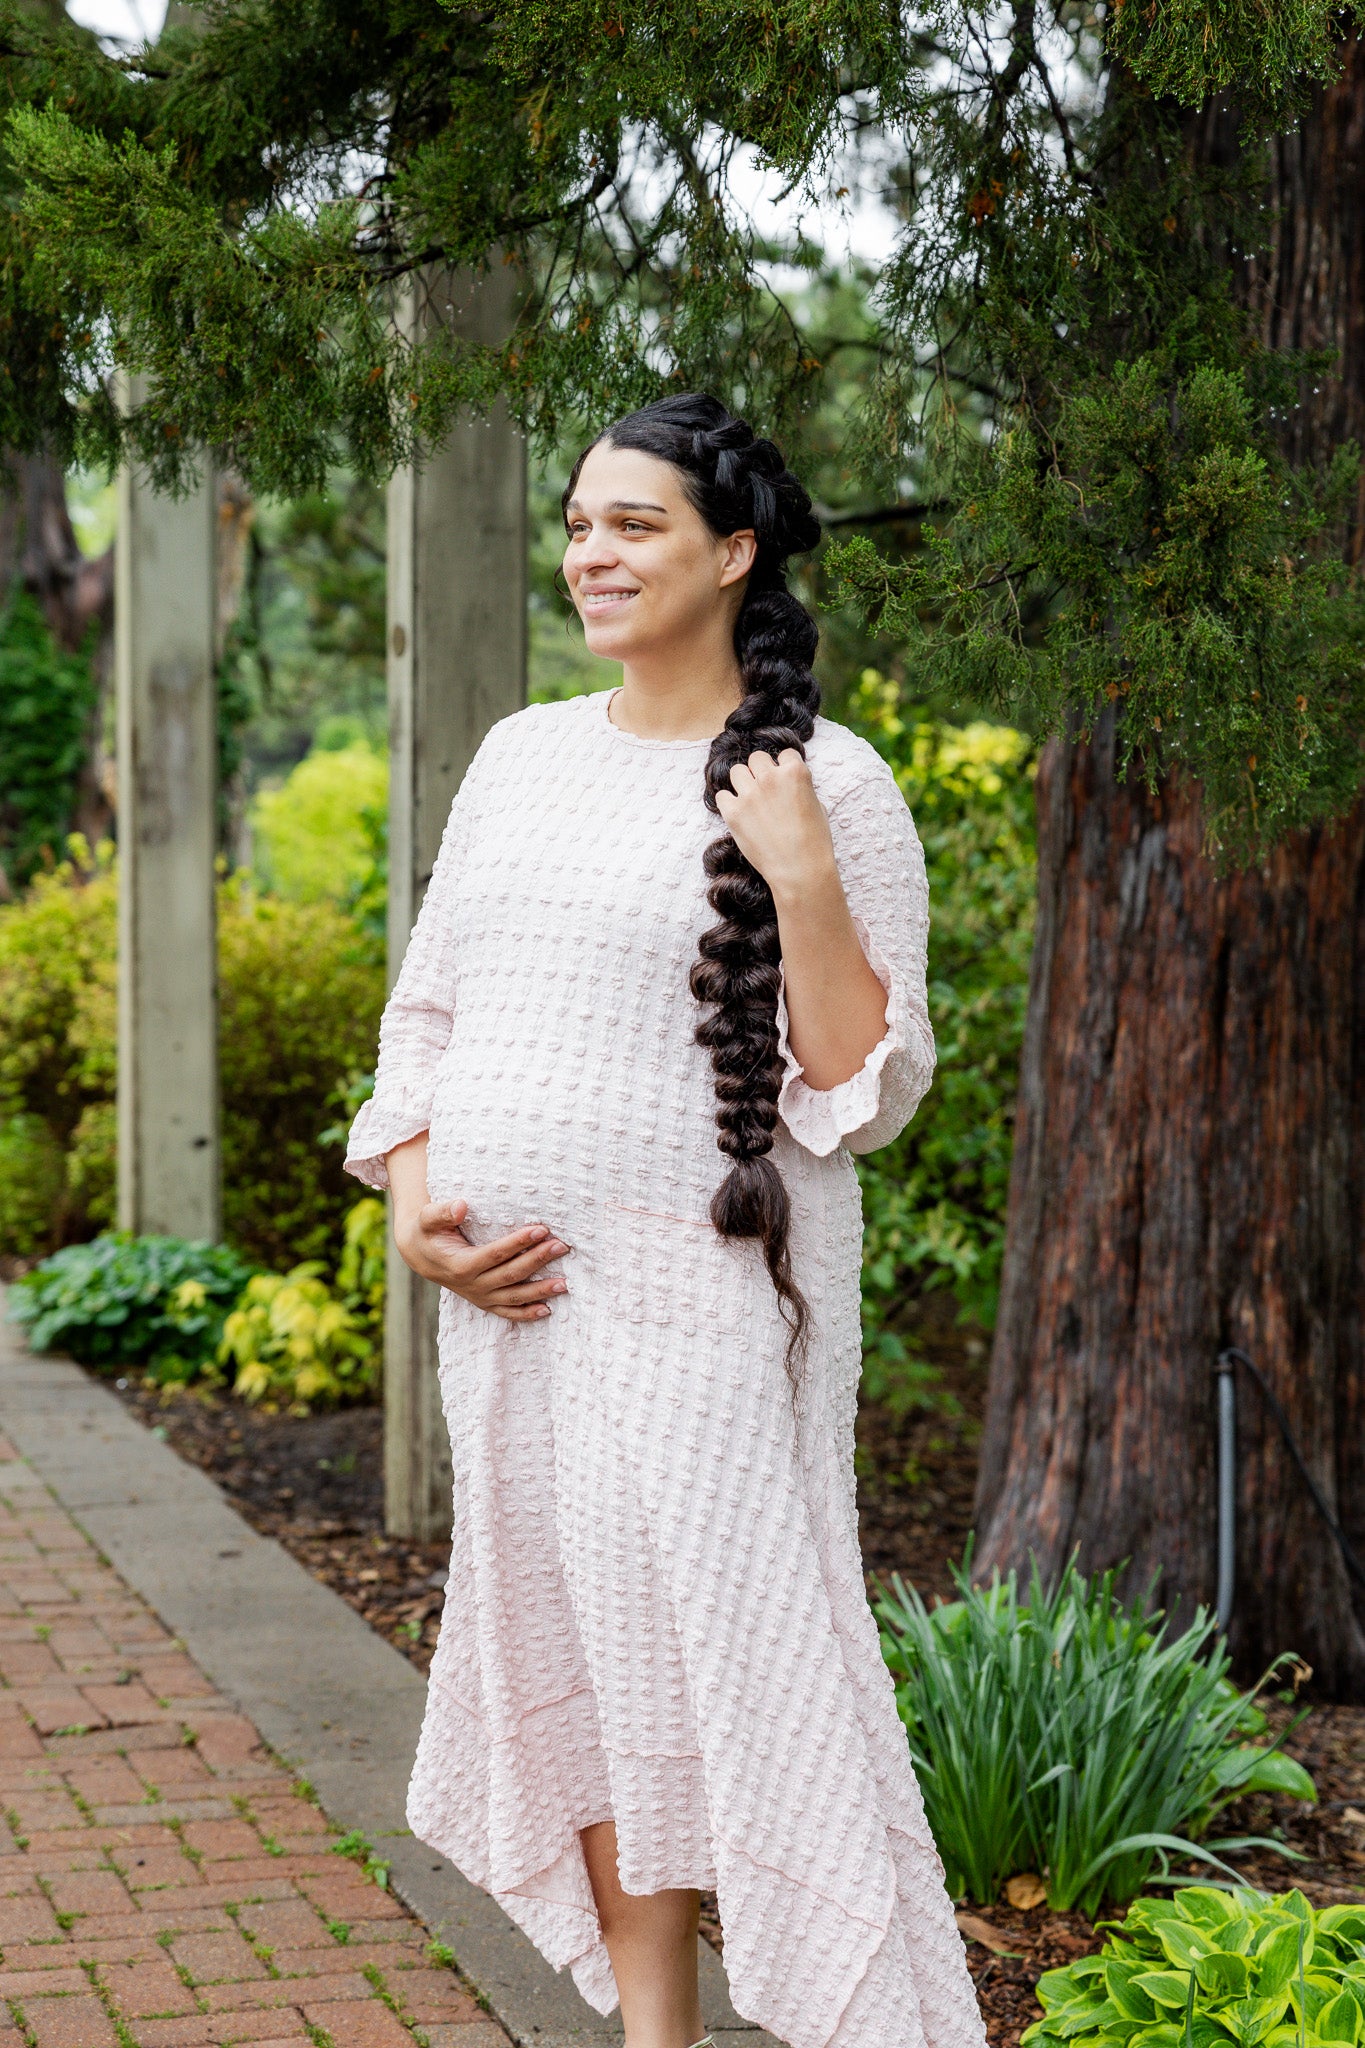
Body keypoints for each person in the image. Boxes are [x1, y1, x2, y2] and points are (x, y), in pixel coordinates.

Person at [345, 393, 985, 2048]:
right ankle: (654, 2037)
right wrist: (414, 1216)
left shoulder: (830, 783)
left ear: (733, 551)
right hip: (517, 1319)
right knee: (591, 1672)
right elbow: (427, 1022)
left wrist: (801, 873)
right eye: (578, 525)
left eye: (633, 524)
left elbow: (859, 1090)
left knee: (740, 1678)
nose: (592, 553)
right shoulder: (520, 755)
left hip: (706, 1319)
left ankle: (854, 2007)